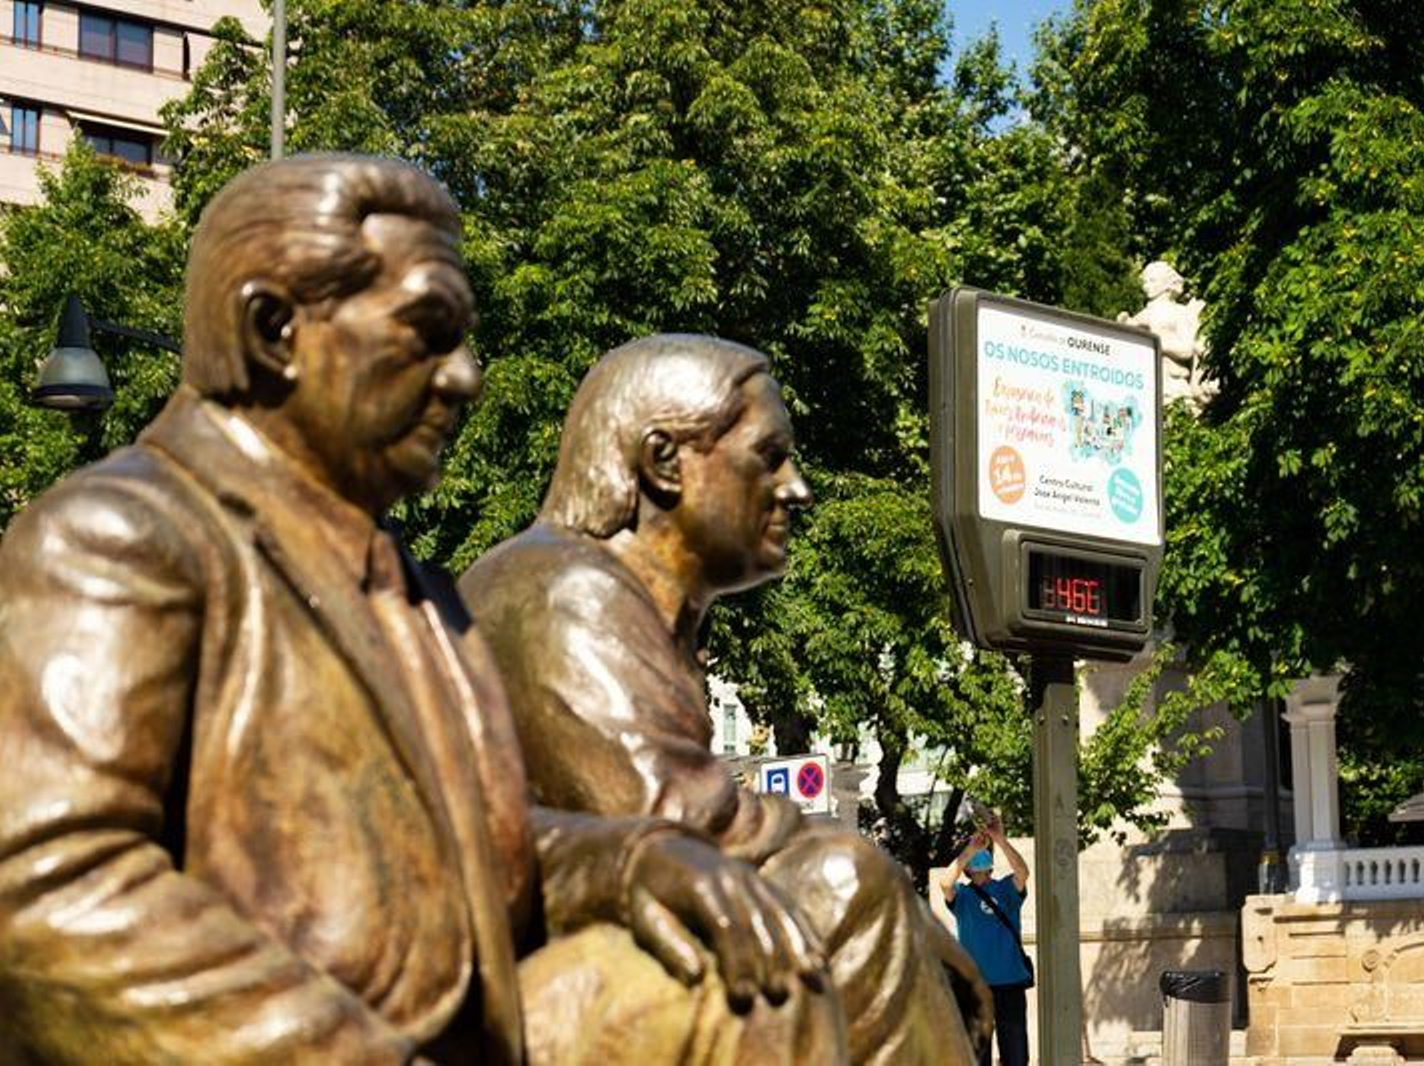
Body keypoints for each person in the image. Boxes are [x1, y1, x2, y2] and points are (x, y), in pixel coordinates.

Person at [0, 156, 844, 1064]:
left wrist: (629, 861)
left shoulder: (415, 591)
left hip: (471, 1030)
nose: (466, 379)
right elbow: (47, 894)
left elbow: (480, 855)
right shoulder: (118, 537)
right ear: (274, 329)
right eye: (429, 332)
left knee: (757, 975)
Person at [460, 333, 992, 1064]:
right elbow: (678, 826)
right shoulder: (563, 593)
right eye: (768, 456)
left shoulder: (624, 604)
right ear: (664, 463)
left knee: (852, 881)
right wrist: (891, 895)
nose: (796, 489)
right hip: (539, 999)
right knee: (844, 884)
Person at [941, 814, 1032, 1066]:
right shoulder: (963, 896)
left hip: (1010, 984)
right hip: (976, 988)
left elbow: (1023, 872)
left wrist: (999, 840)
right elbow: (945, 882)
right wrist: (970, 849)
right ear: (967, 869)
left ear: (991, 867)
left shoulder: (1006, 889)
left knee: (1015, 1056)